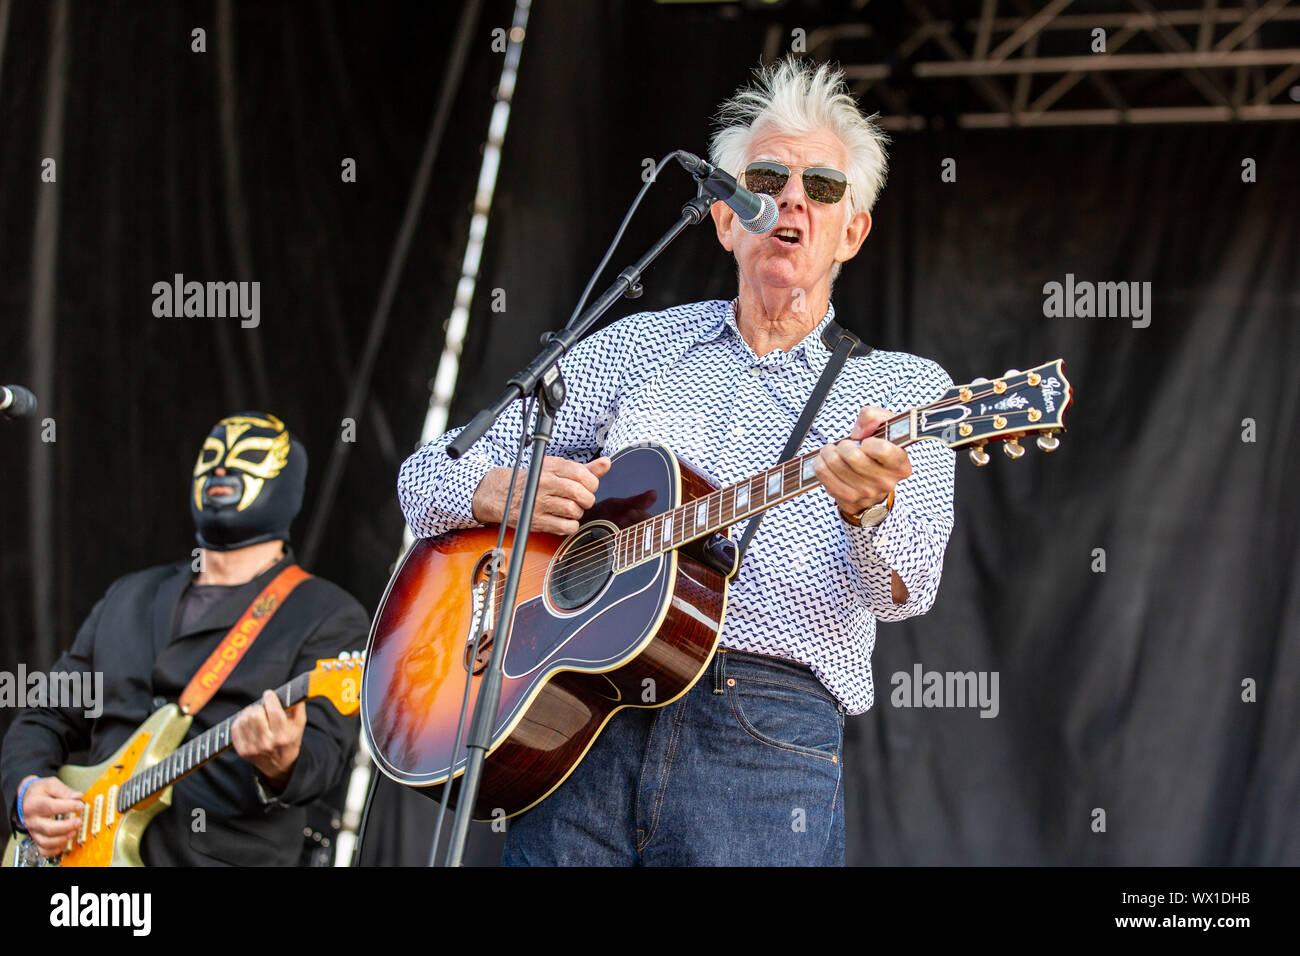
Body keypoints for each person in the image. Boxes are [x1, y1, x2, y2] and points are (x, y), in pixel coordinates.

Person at [397, 58, 956, 866]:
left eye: (823, 188)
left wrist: (868, 511)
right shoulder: (635, 346)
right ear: (727, 219)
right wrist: (497, 491)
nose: (793, 198)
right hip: (581, 720)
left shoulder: (904, 390)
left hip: (766, 742)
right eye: (766, 178)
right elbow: (423, 476)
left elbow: (906, 592)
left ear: (853, 231)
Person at [2, 412, 369, 866]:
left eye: (248, 456)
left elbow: (325, 757)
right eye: (212, 456)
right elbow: (44, 714)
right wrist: (27, 790)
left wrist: (283, 763)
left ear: (289, 485)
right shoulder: (129, 595)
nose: (221, 469)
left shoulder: (327, 613)